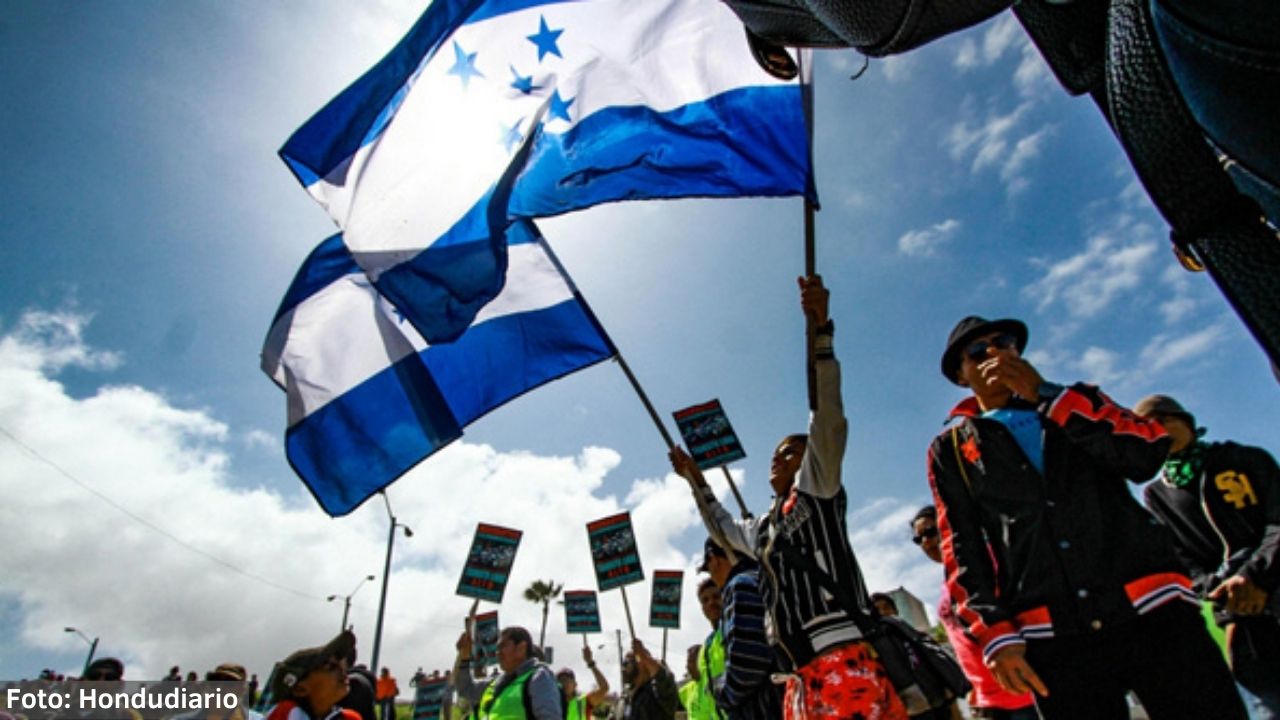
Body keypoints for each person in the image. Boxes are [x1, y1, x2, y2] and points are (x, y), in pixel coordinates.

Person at [926, 315, 1248, 719]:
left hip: (1152, 609)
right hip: (1053, 635)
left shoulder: (1079, 400)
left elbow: (1145, 453)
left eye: (1004, 342)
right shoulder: (951, 449)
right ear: (961, 375)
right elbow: (962, 547)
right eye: (977, 351)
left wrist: (1047, 395)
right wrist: (995, 635)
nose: (995, 353)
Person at [672, 275, 906, 720]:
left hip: (845, 661)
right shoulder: (762, 529)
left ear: (813, 460)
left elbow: (827, 416)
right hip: (798, 677)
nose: (779, 459)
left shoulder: (817, 492)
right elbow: (721, 525)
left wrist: (820, 335)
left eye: (792, 452)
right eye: (776, 454)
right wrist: (695, 481)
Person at [1135, 394, 1280, 719]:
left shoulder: (1243, 458)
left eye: (1163, 418)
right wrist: (1219, 588)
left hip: (1272, 582)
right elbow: (1178, 558)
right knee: (1267, 703)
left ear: (1185, 420)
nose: (1157, 429)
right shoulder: (1157, 494)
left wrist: (1255, 575)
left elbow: (1278, 521)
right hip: (1237, 615)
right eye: (1145, 426)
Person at [912, 505, 1036, 720]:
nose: (926, 542)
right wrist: (972, 688)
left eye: (931, 532)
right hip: (988, 701)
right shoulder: (947, 583)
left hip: (1022, 693)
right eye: (919, 539)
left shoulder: (987, 562)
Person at [699, 539, 782, 720]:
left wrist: (720, 691)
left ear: (714, 559)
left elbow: (747, 666)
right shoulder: (765, 577)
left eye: (709, 568)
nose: (712, 576)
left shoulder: (741, 584)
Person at [454, 625, 560, 720]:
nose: (498, 653)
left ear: (521, 648)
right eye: (497, 648)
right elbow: (465, 689)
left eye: (503, 646)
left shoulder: (539, 677)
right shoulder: (495, 683)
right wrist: (464, 657)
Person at [266, 630, 361, 720]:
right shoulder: (286, 713)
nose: (342, 670)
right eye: (330, 666)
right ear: (300, 689)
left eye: (340, 664)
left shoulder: (347, 717)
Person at [688, 577, 724, 720]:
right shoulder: (705, 648)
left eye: (716, 597)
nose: (711, 603)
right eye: (705, 600)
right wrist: (697, 677)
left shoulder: (735, 631)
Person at [616, 639, 677, 720]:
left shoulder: (657, 692)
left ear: (642, 664)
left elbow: (662, 676)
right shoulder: (625, 696)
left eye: (627, 663)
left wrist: (643, 656)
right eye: (623, 664)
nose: (623, 668)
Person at [557, 646, 610, 720]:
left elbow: (604, 688)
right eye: (560, 680)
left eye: (566, 680)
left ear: (575, 685)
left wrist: (590, 663)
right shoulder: (552, 703)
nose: (563, 683)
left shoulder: (583, 702)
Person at [678, 645, 707, 719]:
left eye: (691, 662)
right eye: (687, 662)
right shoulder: (688, 689)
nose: (687, 666)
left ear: (701, 662)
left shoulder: (715, 687)